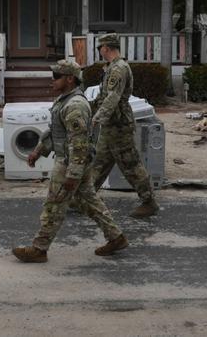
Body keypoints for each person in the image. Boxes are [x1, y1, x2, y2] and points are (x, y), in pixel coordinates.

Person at [12, 59, 128, 263]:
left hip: (70, 163)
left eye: (56, 77)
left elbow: (79, 143)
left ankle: (39, 249)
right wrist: (38, 151)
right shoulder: (64, 100)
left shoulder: (75, 105)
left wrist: (72, 174)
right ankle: (116, 237)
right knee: (89, 201)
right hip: (74, 161)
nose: (52, 81)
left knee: (54, 205)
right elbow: (56, 132)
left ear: (70, 79)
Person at [91, 33, 159, 217]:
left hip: (119, 125)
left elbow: (113, 97)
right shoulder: (112, 67)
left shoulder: (118, 69)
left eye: (100, 47)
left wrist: (98, 116)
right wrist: (91, 108)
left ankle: (149, 201)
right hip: (111, 125)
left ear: (107, 48)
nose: (100, 51)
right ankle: (85, 198)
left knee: (130, 164)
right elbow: (104, 95)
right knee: (99, 162)